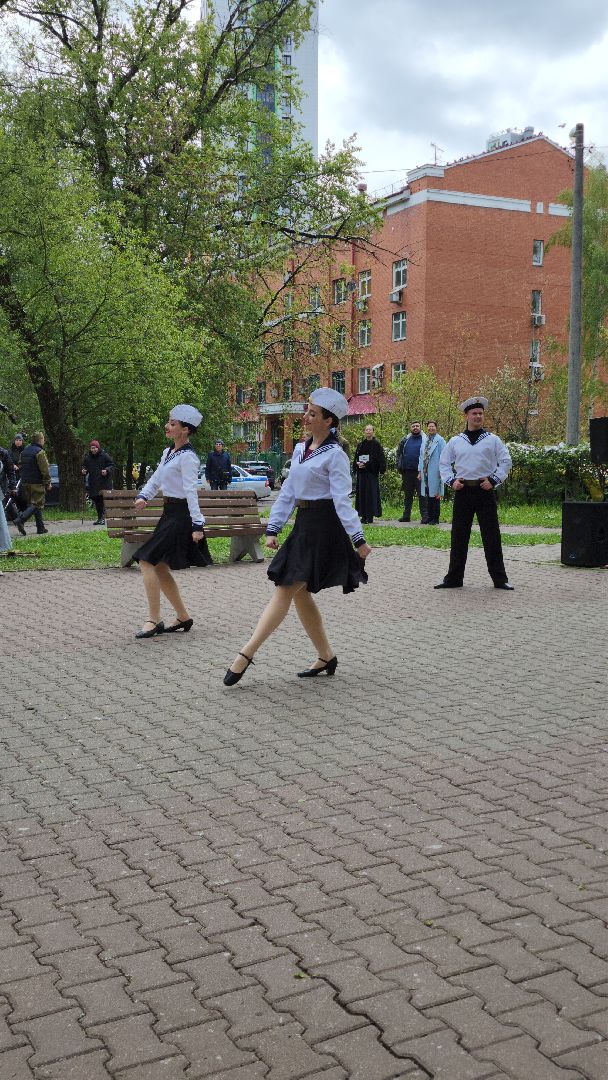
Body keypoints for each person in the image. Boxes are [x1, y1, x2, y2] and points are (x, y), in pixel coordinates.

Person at [224, 387, 372, 685]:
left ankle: (246, 653)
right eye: (307, 411)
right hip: (304, 526)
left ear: (329, 421)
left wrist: (358, 539)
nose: (305, 417)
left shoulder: (336, 456)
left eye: (312, 414)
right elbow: (289, 492)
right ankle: (326, 655)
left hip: (324, 527)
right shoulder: (301, 450)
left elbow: (343, 500)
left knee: (286, 588)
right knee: (299, 593)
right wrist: (273, 527)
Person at [132, 405, 212, 638]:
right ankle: (182, 617)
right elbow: (157, 478)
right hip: (169, 513)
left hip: (181, 516)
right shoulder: (169, 453)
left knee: (146, 561)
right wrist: (143, 496)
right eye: (169, 422)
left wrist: (198, 525)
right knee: (159, 566)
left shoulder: (188, 457)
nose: (167, 426)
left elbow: (190, 491)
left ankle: (153, 619)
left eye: (173, 424)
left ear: (185, 430)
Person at [435, 396, 513, 590]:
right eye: (474, 413)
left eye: (480, 413)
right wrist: (451, 481)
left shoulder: (492, 440)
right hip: (463, 492)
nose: (478, 416)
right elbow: (443, 464)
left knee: (491, 536)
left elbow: (505, 461)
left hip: (484, 492)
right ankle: (454, 578)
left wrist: (494, 480)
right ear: (467, 416)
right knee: (459, 536)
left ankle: (500, 579)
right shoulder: (455, 441)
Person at [19, 432, 52, 535]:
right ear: (40, 440)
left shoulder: (23, 452)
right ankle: (21, 520)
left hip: (25, 483)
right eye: (43, 439)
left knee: (33, 505)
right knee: (37, 504)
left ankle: (40, 528)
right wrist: (48, 483)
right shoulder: (40, 452)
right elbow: (45, 470)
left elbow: (20, 467)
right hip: (36, 483)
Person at [353, 424, 386, 525]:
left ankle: (370, 516)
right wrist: (357, 464)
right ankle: (363, 515)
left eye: (370, 430)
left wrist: (367, 465)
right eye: (366, 430)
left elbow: (379, 459)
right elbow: (356, 457)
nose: (368, 432)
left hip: (371, 474)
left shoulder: (376, 444)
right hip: (362, 475)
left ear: (373, 432)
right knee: (362, 494)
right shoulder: (361, 444)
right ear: (364, 432)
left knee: (370, 495)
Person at [396, 421, 426, 522]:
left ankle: (425, 516)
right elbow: (399, 453)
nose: (415, 428)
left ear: (420, 428)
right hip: (407, 472)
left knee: (422, 495)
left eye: (417, 426)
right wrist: (399, 466)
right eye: (413, 426)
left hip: (420, 472)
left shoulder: (425, 440)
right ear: (410, 428)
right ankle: (406, 516)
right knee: (407, 495)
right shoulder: (405, 440)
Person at [419, 421, 446, 525]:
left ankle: (435, 518)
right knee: (428, 495)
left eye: (432, 426)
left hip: (436, 471)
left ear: (436, 428)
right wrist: (419, 471)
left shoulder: (440, 440)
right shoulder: (425, 440)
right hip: (425, 471)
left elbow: (445, 456)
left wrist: (442, 471)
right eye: (429, 427)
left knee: (436, 495)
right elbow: (421, 456)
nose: (431, 428)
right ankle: (429, 517)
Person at [82, 440, 114, 525]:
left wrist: (107, 470)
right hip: (93, 483)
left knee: (102, 501)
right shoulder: (88, 458)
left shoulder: (104, 456)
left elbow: (111, 465)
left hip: (104, 483)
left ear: (98, 447)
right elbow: (85, 466)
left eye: (95, 448)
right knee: (96, 501)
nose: (93, 450)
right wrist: (84, 470)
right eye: (92, 448)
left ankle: (102, 518)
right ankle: (100, 518)